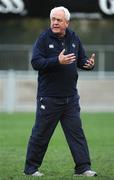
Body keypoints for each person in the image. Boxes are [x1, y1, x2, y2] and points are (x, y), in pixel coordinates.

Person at [24, 6, 97, 177]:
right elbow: (36, 62)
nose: (55, 22)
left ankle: (83, 168)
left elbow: (80, 60)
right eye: (53, 19)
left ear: (67, 22)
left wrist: (88, 64)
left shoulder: (73, 37)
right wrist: (57, 61)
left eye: (58, 20)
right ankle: (31, 169)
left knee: (76, 134)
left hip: (71, 98)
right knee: (40, 135)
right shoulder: (43, 38)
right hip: (49, 98)